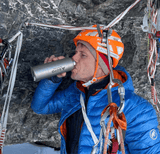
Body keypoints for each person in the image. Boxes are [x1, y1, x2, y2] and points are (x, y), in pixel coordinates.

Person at [31, 25, 160, 154]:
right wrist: (52, 79)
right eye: (76, 53)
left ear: (102, 65)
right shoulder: (77, 92)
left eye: (83, 55)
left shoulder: (136, 109)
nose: (74, 59)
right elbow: (40, 106)